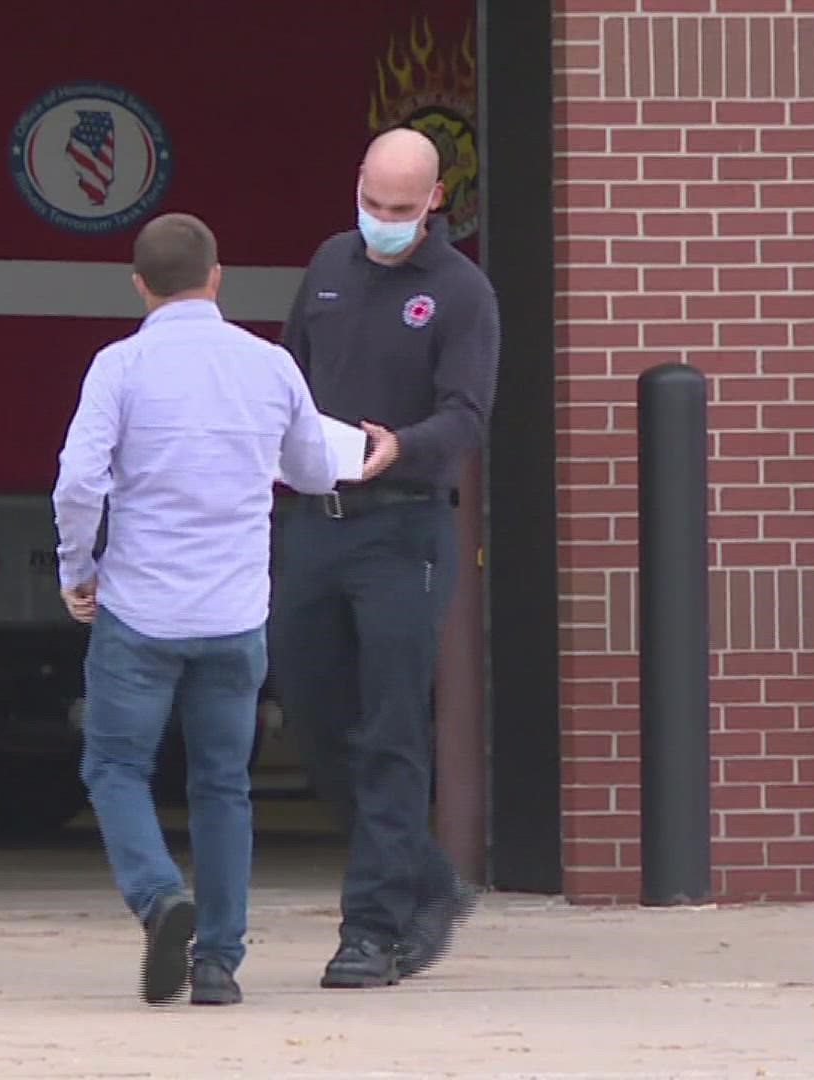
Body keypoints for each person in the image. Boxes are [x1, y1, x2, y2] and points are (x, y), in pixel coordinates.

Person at [52, 212, 340, 1007]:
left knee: (114, 766)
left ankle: (158, 898)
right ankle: (217, 963)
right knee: (223, 784)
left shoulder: (121, 366)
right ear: (218, 278)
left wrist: (79, 568)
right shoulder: (270, 365)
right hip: (235, 614)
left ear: (139, 285)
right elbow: (315, 471)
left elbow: (79, 482)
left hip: (139, 611)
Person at [272, 127, 501, 989]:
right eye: (372, 203)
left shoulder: (460, 292)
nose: (383, 222)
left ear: (434, 201)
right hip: (317, 522)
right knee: (312, 710)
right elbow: (289, 376)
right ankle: (426, 880)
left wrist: (399, 447)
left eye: (401, 209)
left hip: (404, 526)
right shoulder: (330, 263)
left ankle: (370, 929)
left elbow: (468, 416)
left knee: (392, 725)